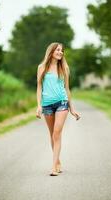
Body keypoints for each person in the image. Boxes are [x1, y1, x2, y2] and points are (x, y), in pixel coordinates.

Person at [36, 42, 81, 176]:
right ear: (51, 51)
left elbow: (67, 89)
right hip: (47, 105)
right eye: (58, 50)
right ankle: (58, 161)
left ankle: (54, 167)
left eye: (62, 50)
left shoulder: (64, 68)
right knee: (52, 135)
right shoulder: (41, 67)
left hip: (62, 103)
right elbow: (39, 88)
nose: (61, 52)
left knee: (56, 133)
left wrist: (72, 108)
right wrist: (39, 105)